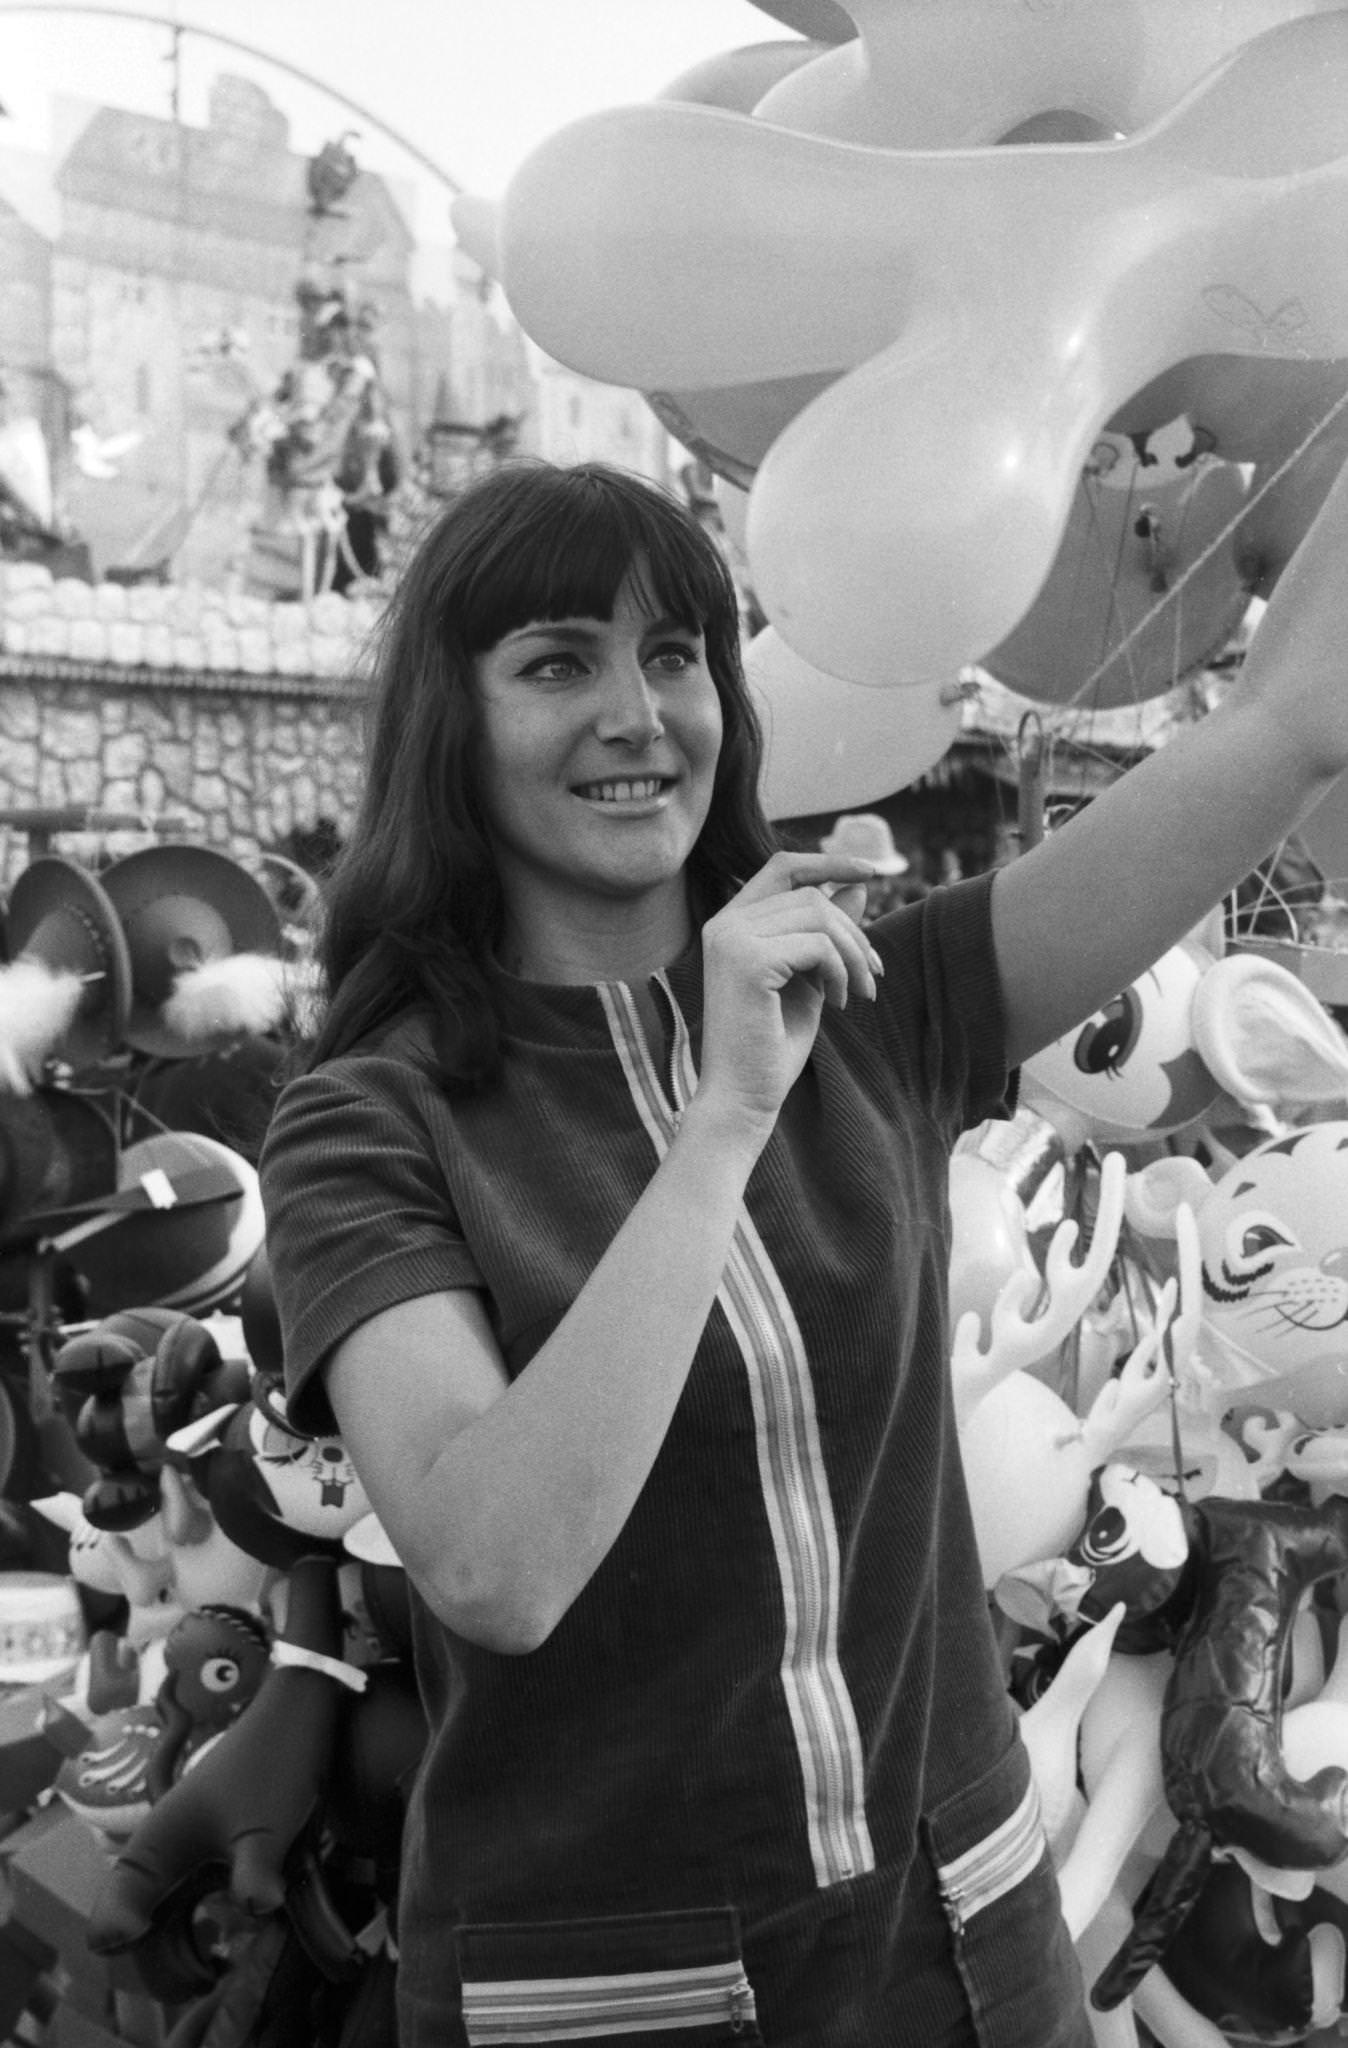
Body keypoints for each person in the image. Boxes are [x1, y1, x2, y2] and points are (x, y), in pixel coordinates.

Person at [258, 454, 1348, 2048]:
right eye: (559, 661)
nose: (640, 712)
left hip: (969, 1938)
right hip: (614, 1990)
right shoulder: (371, 1122)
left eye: (678, 653)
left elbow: (1282, 725)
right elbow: (497, 1563)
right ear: (452, 725)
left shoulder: (889, 1004)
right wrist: (722, 1120)